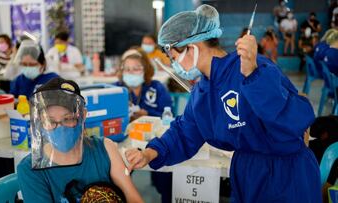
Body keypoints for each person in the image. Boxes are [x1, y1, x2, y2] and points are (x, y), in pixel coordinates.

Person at [125, 5, 321, 203]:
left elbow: (293, 120)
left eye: (174, 58)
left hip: (285, 175)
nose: (174, 65)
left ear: (192, 46)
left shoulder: (254, 67)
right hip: (246, 172)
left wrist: (253, 76)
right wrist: (150, 153)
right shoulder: (203, 90)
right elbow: (185, 132)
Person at [17, 77, 144, 203]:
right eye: (50, 121)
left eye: (67, 119)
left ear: (82, 115)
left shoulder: (105, 149)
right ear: (40, 121)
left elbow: (133, 198)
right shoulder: (29, 169)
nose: (60, 128)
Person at [115, 48, 172, 121]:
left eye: (136, 69)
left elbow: (167, 115)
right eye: (127, 69)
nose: (131, 72)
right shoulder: (115, 90)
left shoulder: (157, 88)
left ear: (145, 70)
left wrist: (148, 114)